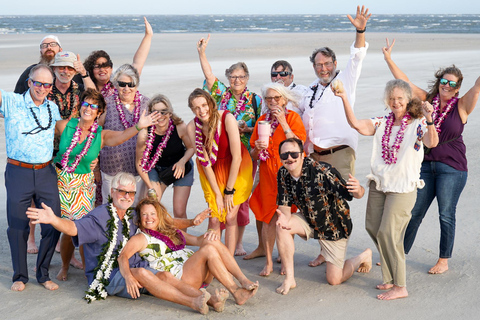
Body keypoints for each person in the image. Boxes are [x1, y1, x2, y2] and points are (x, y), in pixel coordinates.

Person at [27, 172, 213, 314]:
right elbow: (74, 228)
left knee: (164, 275)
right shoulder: (99, 218)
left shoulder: (132, 214)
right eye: (122, 191)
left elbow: (164, 222)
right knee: (142, 273)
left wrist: (191, 222)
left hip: (135, 266)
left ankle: (208, 299)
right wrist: (53, 219)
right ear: (112, 191)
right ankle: (192, 303)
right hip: (109, 275)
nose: (127, 196)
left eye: (131, 193)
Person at [333, 79, 439, 300]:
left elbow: (432, 142)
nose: (395, 102)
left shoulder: (418, 122)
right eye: (392, 98)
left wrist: (429, 119)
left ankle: (400, 286)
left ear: (408, 99)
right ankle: (390, 278)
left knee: (389, 233)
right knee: (373, 227)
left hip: (403, 187)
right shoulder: (383, 122)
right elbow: (357, 124)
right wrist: (344, 98)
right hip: (380, 184)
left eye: (400, 98)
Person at [382, 39, 480, 274]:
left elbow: (478, 86)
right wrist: (388, 59)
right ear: (440, 82)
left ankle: (443, 260)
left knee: (446, 214)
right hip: (425, 166)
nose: (446, 85)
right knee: (415, 212)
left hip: (453, 168)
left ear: (457, 88)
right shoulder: (427, 101)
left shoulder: (462, 106)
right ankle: (400, 254)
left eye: (451, 83)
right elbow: (405, 82)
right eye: (443, 81)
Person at [53, 88, 160, 281]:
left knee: (85, 227)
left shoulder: (101, 135)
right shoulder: (64, 126)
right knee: (67, 230)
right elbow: (45, 142)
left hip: (84, 186)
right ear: (81, 106)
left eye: (94, 106)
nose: (89, 108)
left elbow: (121, 137)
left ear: (99, 112)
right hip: (62, 182)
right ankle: (65, 266)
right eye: (86, 103)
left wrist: (139, 126)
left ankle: (88, 269)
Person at [299, 5, 371, 268]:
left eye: (327, 63)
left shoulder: (346, 80)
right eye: (318, 64)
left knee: (337, 201)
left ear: (334, 64)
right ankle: (324, 249)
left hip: (340, 153)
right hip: (315, 155)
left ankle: (339, 253)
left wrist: (360, 30)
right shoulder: (311, 91)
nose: (323, 68)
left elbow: (358, 55)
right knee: (317, 201)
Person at [118, 198, 259, 311]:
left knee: (211, 241)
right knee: (208, 249)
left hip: (195, 271)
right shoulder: (141, 238)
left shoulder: (169, 231)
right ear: (139, 218)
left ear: (159, 215)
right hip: (181, 277)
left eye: (152, 214)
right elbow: (123, 256)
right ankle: (236, 291)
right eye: (144, 214)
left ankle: (242, 279)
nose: (149, 218)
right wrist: (128, 276)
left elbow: (198, 240)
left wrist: (210, 233)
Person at [275, 138, 371, 295]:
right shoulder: (283, 173)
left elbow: (353, 194)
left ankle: (363, 256)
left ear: (302, 155)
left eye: (293, 154)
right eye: (284, 155)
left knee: (334, 280)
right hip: (309, 219)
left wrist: (358, 189)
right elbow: (284, 206)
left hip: (333, 227)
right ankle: (290, 279)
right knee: (282, 226)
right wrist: (283, 219)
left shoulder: (322, 171)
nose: (289, 159)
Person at [197, 34, 262, 256]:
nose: (236, 80)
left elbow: (264, 125)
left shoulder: (256, 100)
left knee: (239, 200)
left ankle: (239, 242)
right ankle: (216, 241)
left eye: (241, 76)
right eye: (233, 76)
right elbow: (208, 75)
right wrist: (202, 53)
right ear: (228, 78)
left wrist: (248, 129)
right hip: (218, 154)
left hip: (245, 155)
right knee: (216, 197)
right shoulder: (221, 94)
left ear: (247, 78)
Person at [1, 64, 61, 292]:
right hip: (19, 171)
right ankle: (20, 276)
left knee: (52, 222)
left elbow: (70, 133)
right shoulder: (12, 102)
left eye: (47, 84)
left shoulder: (52, 108)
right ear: (29, 82)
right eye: (38, 83)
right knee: (17, 226)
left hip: (46, 172)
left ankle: (43, 273)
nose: (42, 88)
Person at [248, 83, 306, 276]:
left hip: (287, 176)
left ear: (285, 99)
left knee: (286, 218)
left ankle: (285, 259)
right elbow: (254, 155)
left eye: (277, 98)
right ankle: (268, 262)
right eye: (269, 99)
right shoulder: (262, 121)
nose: (273, 102)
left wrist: (283, 121)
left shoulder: (293, 118)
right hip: (266, 175)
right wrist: (256, 148)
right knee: (267, 218)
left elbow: (299, 145)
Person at [186, 88, 253, 254]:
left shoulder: (226, 118)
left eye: (204, 105)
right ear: (192, 110)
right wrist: (217, 194)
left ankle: (228, 262)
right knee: (215, 219)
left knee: (230, 217)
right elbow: (205, 163)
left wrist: (229, 191)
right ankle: (214, 257)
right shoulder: (192, 128)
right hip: (212, 172)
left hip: (236, 168)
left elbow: (237, 157)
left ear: (210, 103)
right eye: (196, 108)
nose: (201, 110)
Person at [136, 94, 195, 219]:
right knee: (153, 205)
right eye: (156, 113)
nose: (161, 116)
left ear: (170, 113)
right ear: (151, 115)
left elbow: (191, 148)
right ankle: (155, 236)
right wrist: (150, 187)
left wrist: (182, 162)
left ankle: (180, 238)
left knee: (179, 211)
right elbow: (139, 163)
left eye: (164, 112)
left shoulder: (179, 126)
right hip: (155, 168)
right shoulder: (145, 133)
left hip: (181, 168)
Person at [99, 64, 149, 205]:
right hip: (110, 168)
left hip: (137, 170)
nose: (126, 88)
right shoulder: (106, 103)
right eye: (122, 84)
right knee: (110, 209)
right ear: (116, 85)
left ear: (136, 85)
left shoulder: (146, 104)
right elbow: (96, 134)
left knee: (134, 210)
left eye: (131, 84)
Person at [83, 17, 152, 98]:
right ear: (91, 70)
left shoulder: (118, 83)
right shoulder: (85, 83)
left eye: (105, 65)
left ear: (111, 68)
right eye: (97, 67)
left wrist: (148, 36)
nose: (102, 69)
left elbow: (137, 64)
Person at [14, 35, 82, 94]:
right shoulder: (31, 71)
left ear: (60, 50)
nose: (49, 47)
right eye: (44, 46)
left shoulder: (71, 71)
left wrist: (83, 72)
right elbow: (18, 95)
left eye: (53, 44)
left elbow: (90, 93)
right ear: (41, 52)